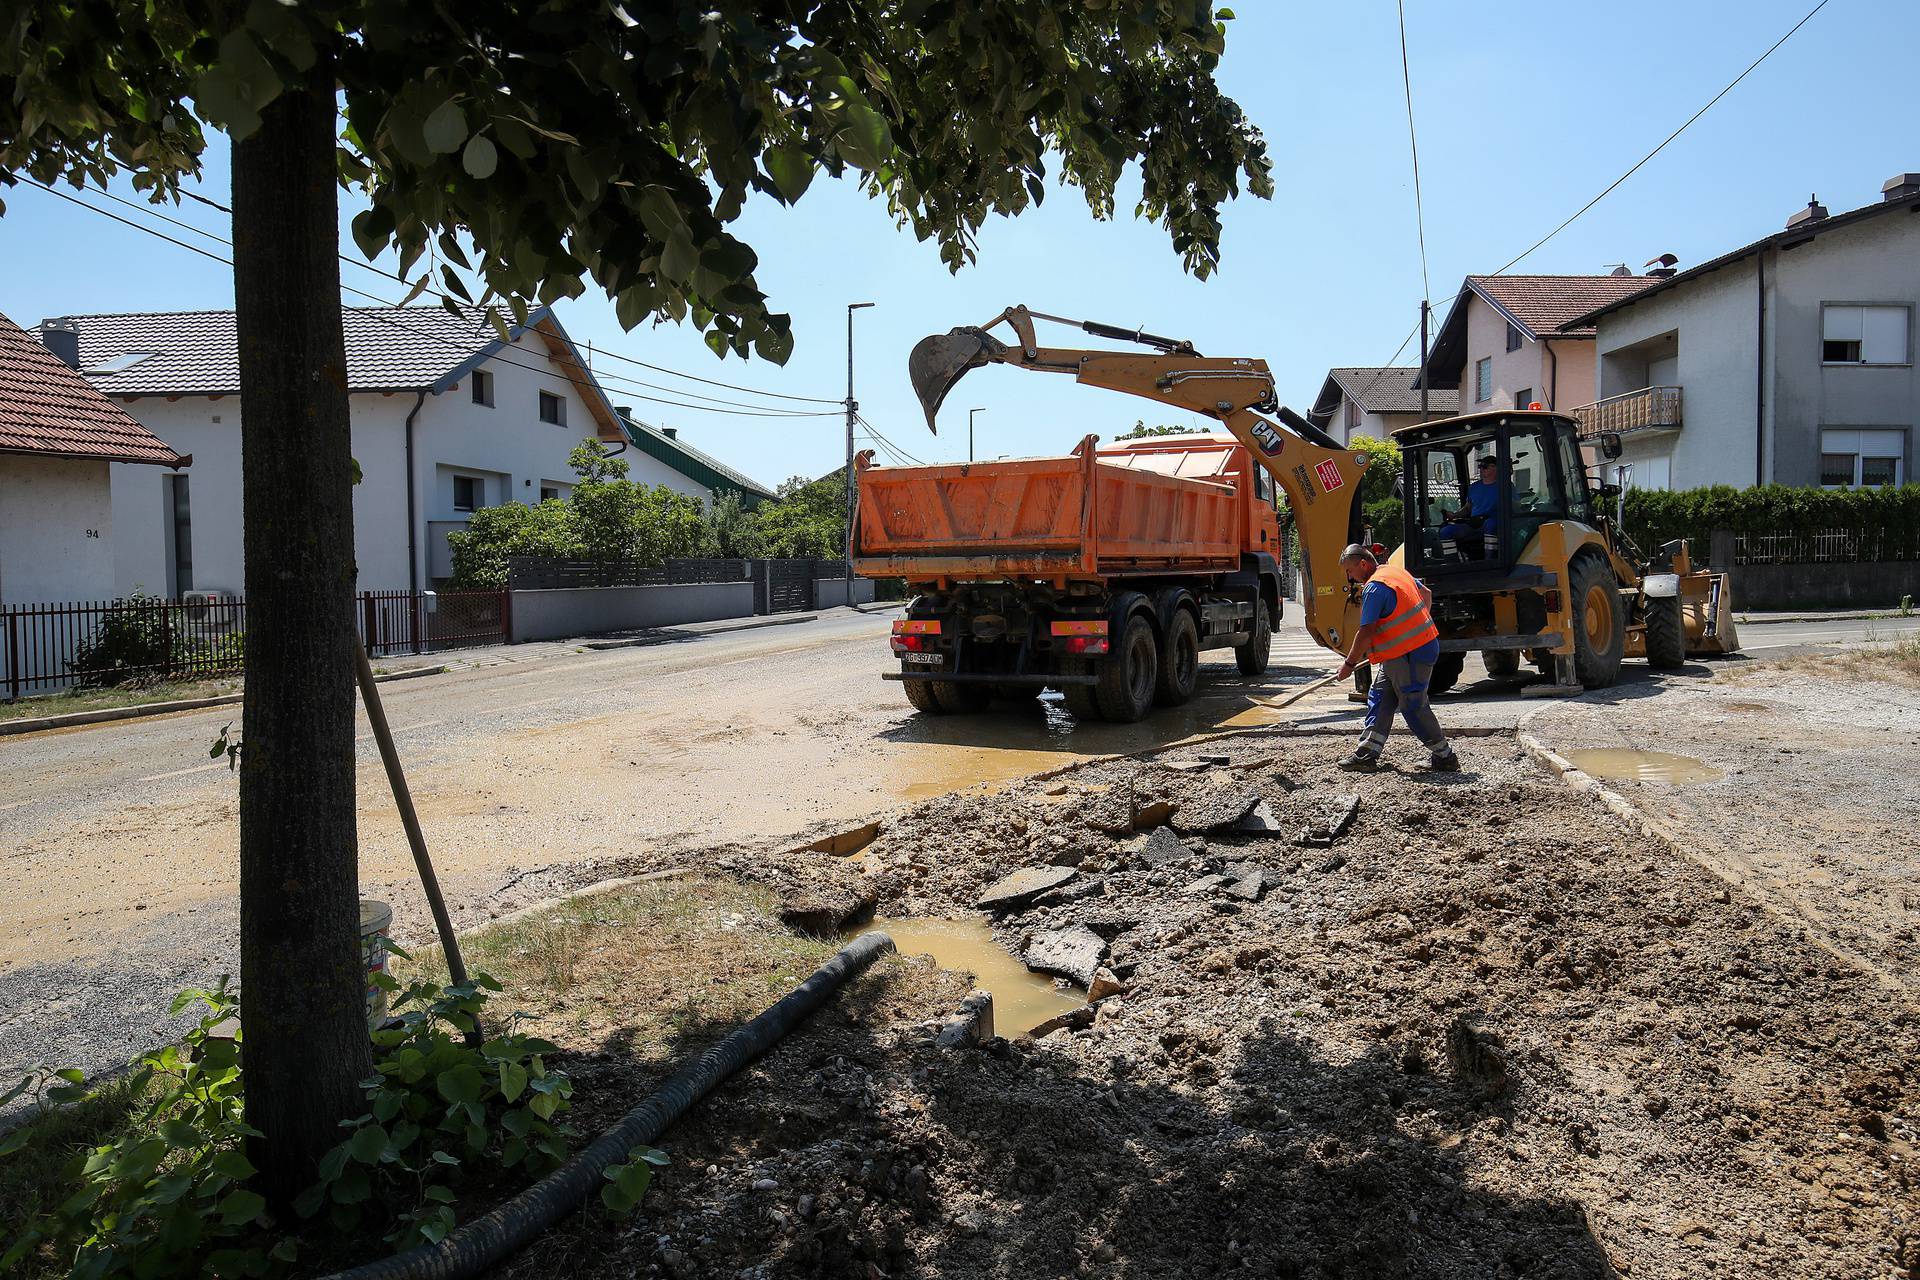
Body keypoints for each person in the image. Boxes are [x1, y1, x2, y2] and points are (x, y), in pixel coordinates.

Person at [1334, 545, 1459, 773]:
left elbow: (1366, 632)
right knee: (1380, 697)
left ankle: (1445, 756)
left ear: (1363, 564)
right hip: (1402, 653)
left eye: (1350, 571)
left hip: (1410, 654)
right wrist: (1419, 628)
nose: (1349, 577)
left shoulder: (1374, 588)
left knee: (1413, 705)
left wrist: (1348, 664)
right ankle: (1367, 753)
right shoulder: (1395, 572)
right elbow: (1427, 595)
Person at [1439, 455, 1503, 554]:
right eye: (1479, 466)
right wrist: (1454, 515)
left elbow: (1515, 506)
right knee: (1446, 532)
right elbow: (1468, 508)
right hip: (1474, 523)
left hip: (1493, 524)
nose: (1481, 469)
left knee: (1492, 524)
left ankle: (1490, 562)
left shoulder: (1505, 486)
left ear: (1495, 467)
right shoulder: (1474, 487)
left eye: (1484, 467)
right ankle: (1453, 565)